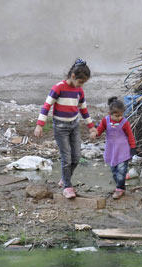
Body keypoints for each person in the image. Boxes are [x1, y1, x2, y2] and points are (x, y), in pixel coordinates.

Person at [34, 58, 96, 199]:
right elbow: (46, 106)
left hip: (74, 126)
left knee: (76, 157)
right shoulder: (58, 88)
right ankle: (67, 186)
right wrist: (40, 125)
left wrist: (91, 127)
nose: (81, 85)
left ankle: (65, 178)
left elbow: (84, 110)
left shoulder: (79, 91)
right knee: (66, 158)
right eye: (80, 82)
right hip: (60, 127)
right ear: (73, 76)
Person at [90, 97, 137, 199]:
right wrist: (95, 133)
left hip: (123, 151)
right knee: (114, 170)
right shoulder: (105, 121)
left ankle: (120, 188)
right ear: (109, 113)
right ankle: (120, 186)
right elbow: (99, 130)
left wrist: (132, 148)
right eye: (117, 116)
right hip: (112, 151)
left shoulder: (125, 123)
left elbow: (130, 136)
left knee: (121, 171)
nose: (119, 117)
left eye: (121, 115)